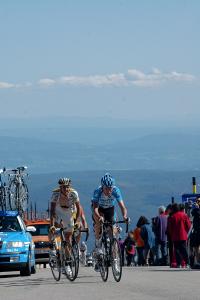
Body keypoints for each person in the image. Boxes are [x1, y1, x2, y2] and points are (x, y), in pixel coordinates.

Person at [49, 177, 81, 275]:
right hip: (58, 210)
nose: (65, 189)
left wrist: (77, 221)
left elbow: (79, 209)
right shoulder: (55, 194)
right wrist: (52, 225)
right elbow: (52, 211)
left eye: (67, 187)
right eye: (63, 187)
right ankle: (53, 248)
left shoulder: (74, 193)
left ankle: (67, 263)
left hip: (69, 212)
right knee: (53, 229)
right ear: (60, 187)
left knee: (68, 238)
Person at [91, 173, 128, 253]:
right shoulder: (98, 191)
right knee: (99, 223)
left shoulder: (116, 190)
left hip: (110, 209)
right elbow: (95, 208)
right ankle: (98, 244)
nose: (109, 191)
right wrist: (99, 217)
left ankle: (113, 251)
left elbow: (122, 207)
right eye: (106, 188)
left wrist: (125, 216)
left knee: (113, 229)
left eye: (110, 188)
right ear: (102, 187)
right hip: (99, 209)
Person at [167, 203, 191, 268]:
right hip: (183, 235)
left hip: (175, 236)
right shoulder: (184, 215)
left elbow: (170, 228)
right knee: (184, 249)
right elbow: (188, 226)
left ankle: (178, 263)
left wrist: (172, 234)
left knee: (176, 250)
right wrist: (186, 232)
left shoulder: (172, 217)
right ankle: (187, 263)